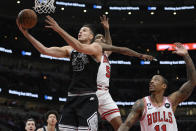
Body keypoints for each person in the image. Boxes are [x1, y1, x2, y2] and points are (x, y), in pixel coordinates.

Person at [16, 15, 153, 131]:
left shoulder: (97, 48)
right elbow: (45, 51)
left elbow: (114, 47)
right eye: (80, 30)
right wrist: (26, 34)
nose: (80, 32)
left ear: (92, 37)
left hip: (95, 94)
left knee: (120, 126)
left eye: (84, 30)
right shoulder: (70, 50)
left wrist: (139, 55)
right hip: (74, 96)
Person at [118, 43, 196, 131]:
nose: (151, 81)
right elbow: (126, 125)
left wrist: (186, 56)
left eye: (156, 80)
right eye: (151, 80)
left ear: (164, 86)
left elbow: (192, 82)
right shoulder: (141, 104)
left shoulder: (171, 101)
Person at [95, 15, 153, 131]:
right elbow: (119, 49)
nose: (101, 39)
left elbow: (109, 46)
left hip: (105, 93)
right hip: (92, 91)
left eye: (102, 38)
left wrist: (106, 29)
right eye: (98, 38)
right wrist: (140, 55)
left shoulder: (105, 54)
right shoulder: (92, 50)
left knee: (120, 127)